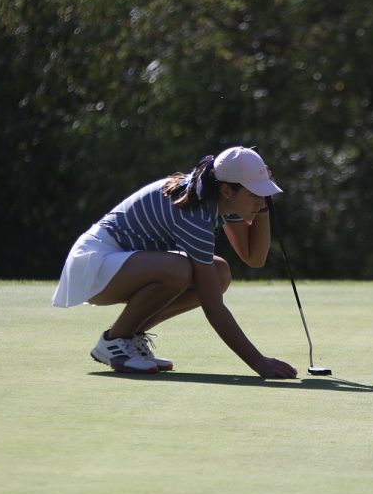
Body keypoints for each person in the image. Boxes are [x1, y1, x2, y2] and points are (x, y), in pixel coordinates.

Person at [52, 146, 299, 379]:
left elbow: (254, 258)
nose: (260, 200)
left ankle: (128, 338)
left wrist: (264, 204)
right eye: (254, 194)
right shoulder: (195, 214)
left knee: (219, 271)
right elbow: (213, 306)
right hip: (93, 263)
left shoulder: (217, 198)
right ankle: (114, 340)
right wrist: (258, 362)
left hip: (116, 264)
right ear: (227, 190)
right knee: (179, 270)